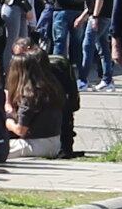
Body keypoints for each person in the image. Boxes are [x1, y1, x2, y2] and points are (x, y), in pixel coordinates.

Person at [13, 30, 80, 160]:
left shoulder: (41, 76)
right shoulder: (50, 72)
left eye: (21, 56)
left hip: (45, 135)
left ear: (29, 51)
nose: (18, 61)